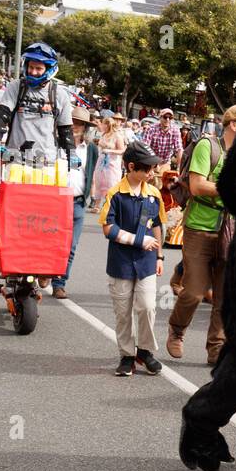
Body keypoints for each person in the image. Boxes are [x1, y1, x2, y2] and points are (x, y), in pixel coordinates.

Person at [166, 104, 236, 365]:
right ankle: (177, 329)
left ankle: (216, 348)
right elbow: (197, 185)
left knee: (224, 296)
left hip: (233, 230)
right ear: (235, 124)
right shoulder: (209, 146)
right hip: (199, 227)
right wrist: (232, 187)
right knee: (193, 291)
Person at [100, 141, 166, 377]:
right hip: (121, 262)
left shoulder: (152, 194)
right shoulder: (115, 194)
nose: (152, 173)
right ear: (131, 167)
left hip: (147, 261)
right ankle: (127, 355)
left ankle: (145, 351)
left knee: (148, 307)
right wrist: (138, 241)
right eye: (147, 169)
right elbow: (108, 229)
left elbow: (155, 225)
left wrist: (159, 256)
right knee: (123, 312)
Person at [0, 42, 75, 172]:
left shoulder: (60, 94)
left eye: (39, 69)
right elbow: (1, 114)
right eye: (31, 67)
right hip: (16, 160)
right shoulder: (16, 86)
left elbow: (66, 130)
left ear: (49, 69)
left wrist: (71, 154)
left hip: (46, 162)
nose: (33, 72)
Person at [51, 106, 99, 300]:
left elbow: (91, 173)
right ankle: (45, 273)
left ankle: (59, 283)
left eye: (80, 124)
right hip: (55, 200)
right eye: (72, 122)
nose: (75, 127)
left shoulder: (91, 149)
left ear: (85, 127)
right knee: (51, 242)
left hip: (78, 202)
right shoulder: (54, 144)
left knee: (70, 247)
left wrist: (92, 195)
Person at [91, 112, 127, 212]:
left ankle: (110, 206)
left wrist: (110, 151)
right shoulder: (103, 134)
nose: (102, 126)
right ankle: (97, 205)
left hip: (112, 163)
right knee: (99, 182)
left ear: (108, 125)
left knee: (111, 183)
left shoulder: (117, 135)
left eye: (103, 124)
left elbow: (122, 150)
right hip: (102, 161)